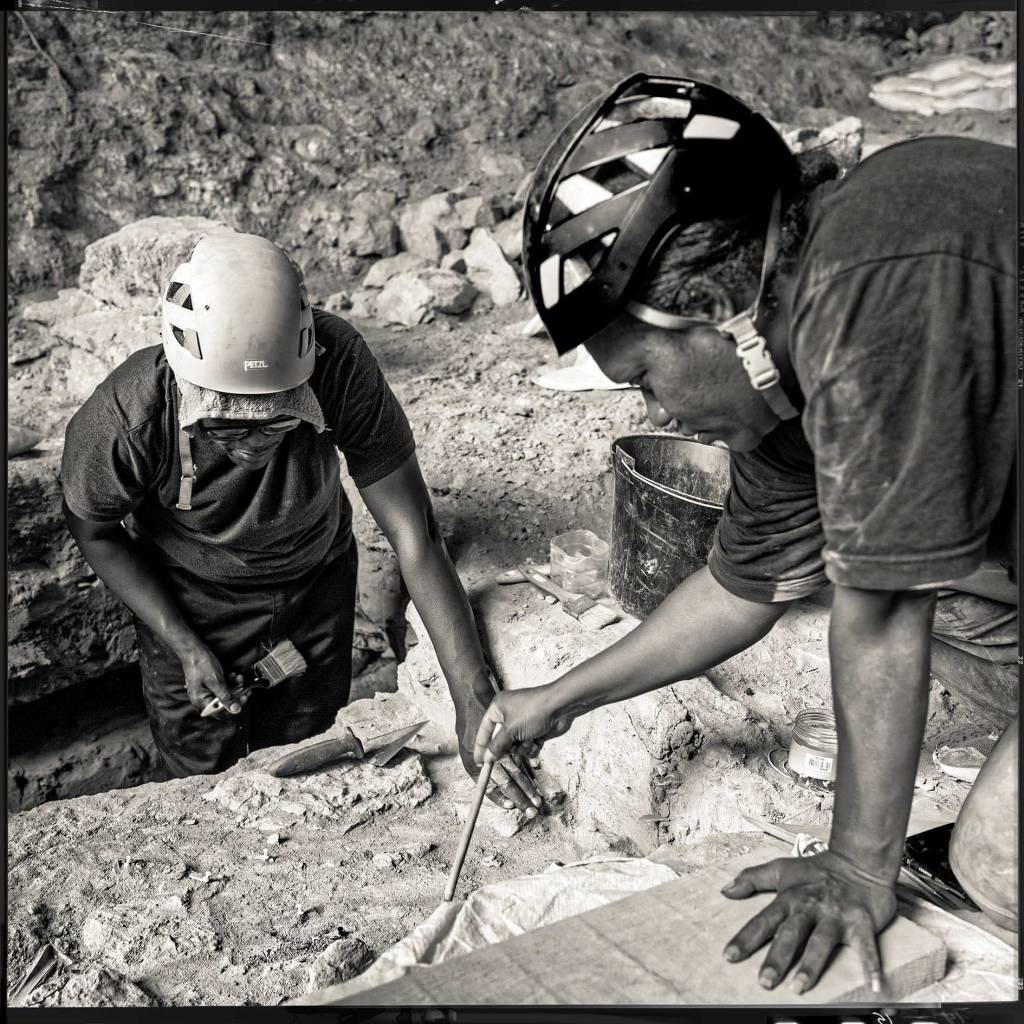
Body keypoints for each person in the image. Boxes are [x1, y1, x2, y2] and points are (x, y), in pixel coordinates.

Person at [473, 74, 1017, 991]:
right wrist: (560, 699)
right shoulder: (789, 373)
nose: (659, 410)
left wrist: (855, 865)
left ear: (707, 309)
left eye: (643, 376)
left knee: (1001, 864)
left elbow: (884, 613)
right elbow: (742, 587)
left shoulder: (877, 286)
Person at [61, 228, 542, 819]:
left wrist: (473, 702)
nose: (256, 443)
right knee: (199, 776)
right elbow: (95, 530)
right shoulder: (130, 415)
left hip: (317, 581)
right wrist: (183, 642)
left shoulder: (336, 364)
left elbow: (415, 534)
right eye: (230, 425)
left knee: (309, 747)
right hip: (189, 596)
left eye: (280, 420)